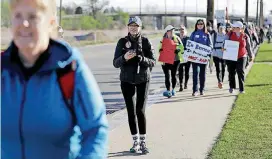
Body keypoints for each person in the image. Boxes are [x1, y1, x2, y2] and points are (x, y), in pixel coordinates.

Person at [1, 0, 108, 159]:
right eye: (18, 16)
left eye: (32, 16)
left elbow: (95, 130)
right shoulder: (3, 70)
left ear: (50, 23)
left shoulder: (69, 69)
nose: (24, 23)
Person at [113, 16, 156, 154]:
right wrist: (124, 58)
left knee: (140, 110)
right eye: (131, 25)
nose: (133, 28)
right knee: (131, 112)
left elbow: (153, 62)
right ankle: (135, 141)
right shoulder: (122, 42)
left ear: (140, 27)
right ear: (128, 27)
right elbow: (115, 63)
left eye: (136, 26)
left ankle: (143, 142)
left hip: (143, 79)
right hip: (126, 80)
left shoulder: (145, 41)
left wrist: (142, 59)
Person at [225, 21, 254, 94]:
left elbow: (248, 46)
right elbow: (225, 43)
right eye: (233, 27)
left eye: (235, 27)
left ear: (239, 28)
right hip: (231, 56)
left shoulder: (245, 36)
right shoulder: (229, 34)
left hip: (242, 56)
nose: (233, 28)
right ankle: (232, 87)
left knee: (240, 71)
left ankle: (241, 89)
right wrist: (224, 50)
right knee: (231, 72)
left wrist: (251, 56)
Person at [158, 25, 184, 97]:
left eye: (173, 30)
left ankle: (173, 90)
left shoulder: (177, 38)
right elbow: (159, 48)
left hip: (175, 60)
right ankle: (168, 90)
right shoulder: (163, 39)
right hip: (165, 60)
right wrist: (160, 50)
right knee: (167, 76)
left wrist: (178, 49)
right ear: (167, 32)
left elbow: (182, 47)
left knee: (173, 75)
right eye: (170, 31)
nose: (172, 32)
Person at [190, 19, 213, 96]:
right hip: (195, 57)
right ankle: (195, 90)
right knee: (195, 73)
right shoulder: (193, 33)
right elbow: (189, 44)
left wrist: (207, 52)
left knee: (202, 74)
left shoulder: (207, 34)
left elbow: (210, 45)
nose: (200, 25)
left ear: (204, 25)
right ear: (196, 25)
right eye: (198, 24)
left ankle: (202, 89)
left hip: (204, 57)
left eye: (201, 24)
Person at [212, 23, 227, 89]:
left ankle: (222, 81)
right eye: (220, 28)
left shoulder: (226, 36)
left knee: (223, 68)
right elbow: (211, 44)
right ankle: (219, 81)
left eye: (222, 28)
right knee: (218, 68)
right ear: (218, 28)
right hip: (216, 54)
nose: (221, 29)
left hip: (223, 54)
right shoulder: (214, 35)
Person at [178, 25, 191, 92]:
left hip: (187, 57)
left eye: (183, 30)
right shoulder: (177, 38)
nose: (182, 31)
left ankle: (185, 83)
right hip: (180, 57)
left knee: (186, 71)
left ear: (185, 31)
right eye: (180, 30)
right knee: (180, 71)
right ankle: (181, 85)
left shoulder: (188, 38)